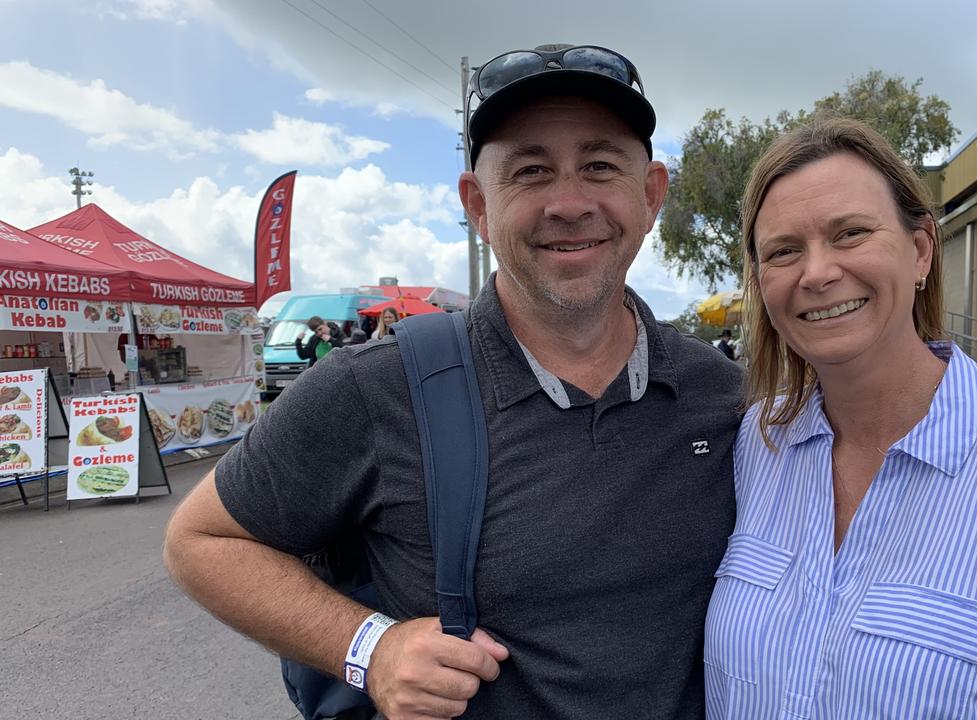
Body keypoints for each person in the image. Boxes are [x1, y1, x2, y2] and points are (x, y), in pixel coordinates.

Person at [164, 43, 742, 720]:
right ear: (478, 206)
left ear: (650, 196)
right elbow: (199, 542)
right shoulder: (375, 388)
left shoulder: (721, 393)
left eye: (600, 166)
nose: (569, 202)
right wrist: (370, 649)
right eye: (530, 171)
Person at [702, 116, 977, 718]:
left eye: (851, 233)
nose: (817, 272)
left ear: (919, 252)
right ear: (760, 282)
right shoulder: (760, 444)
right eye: (784, 251)